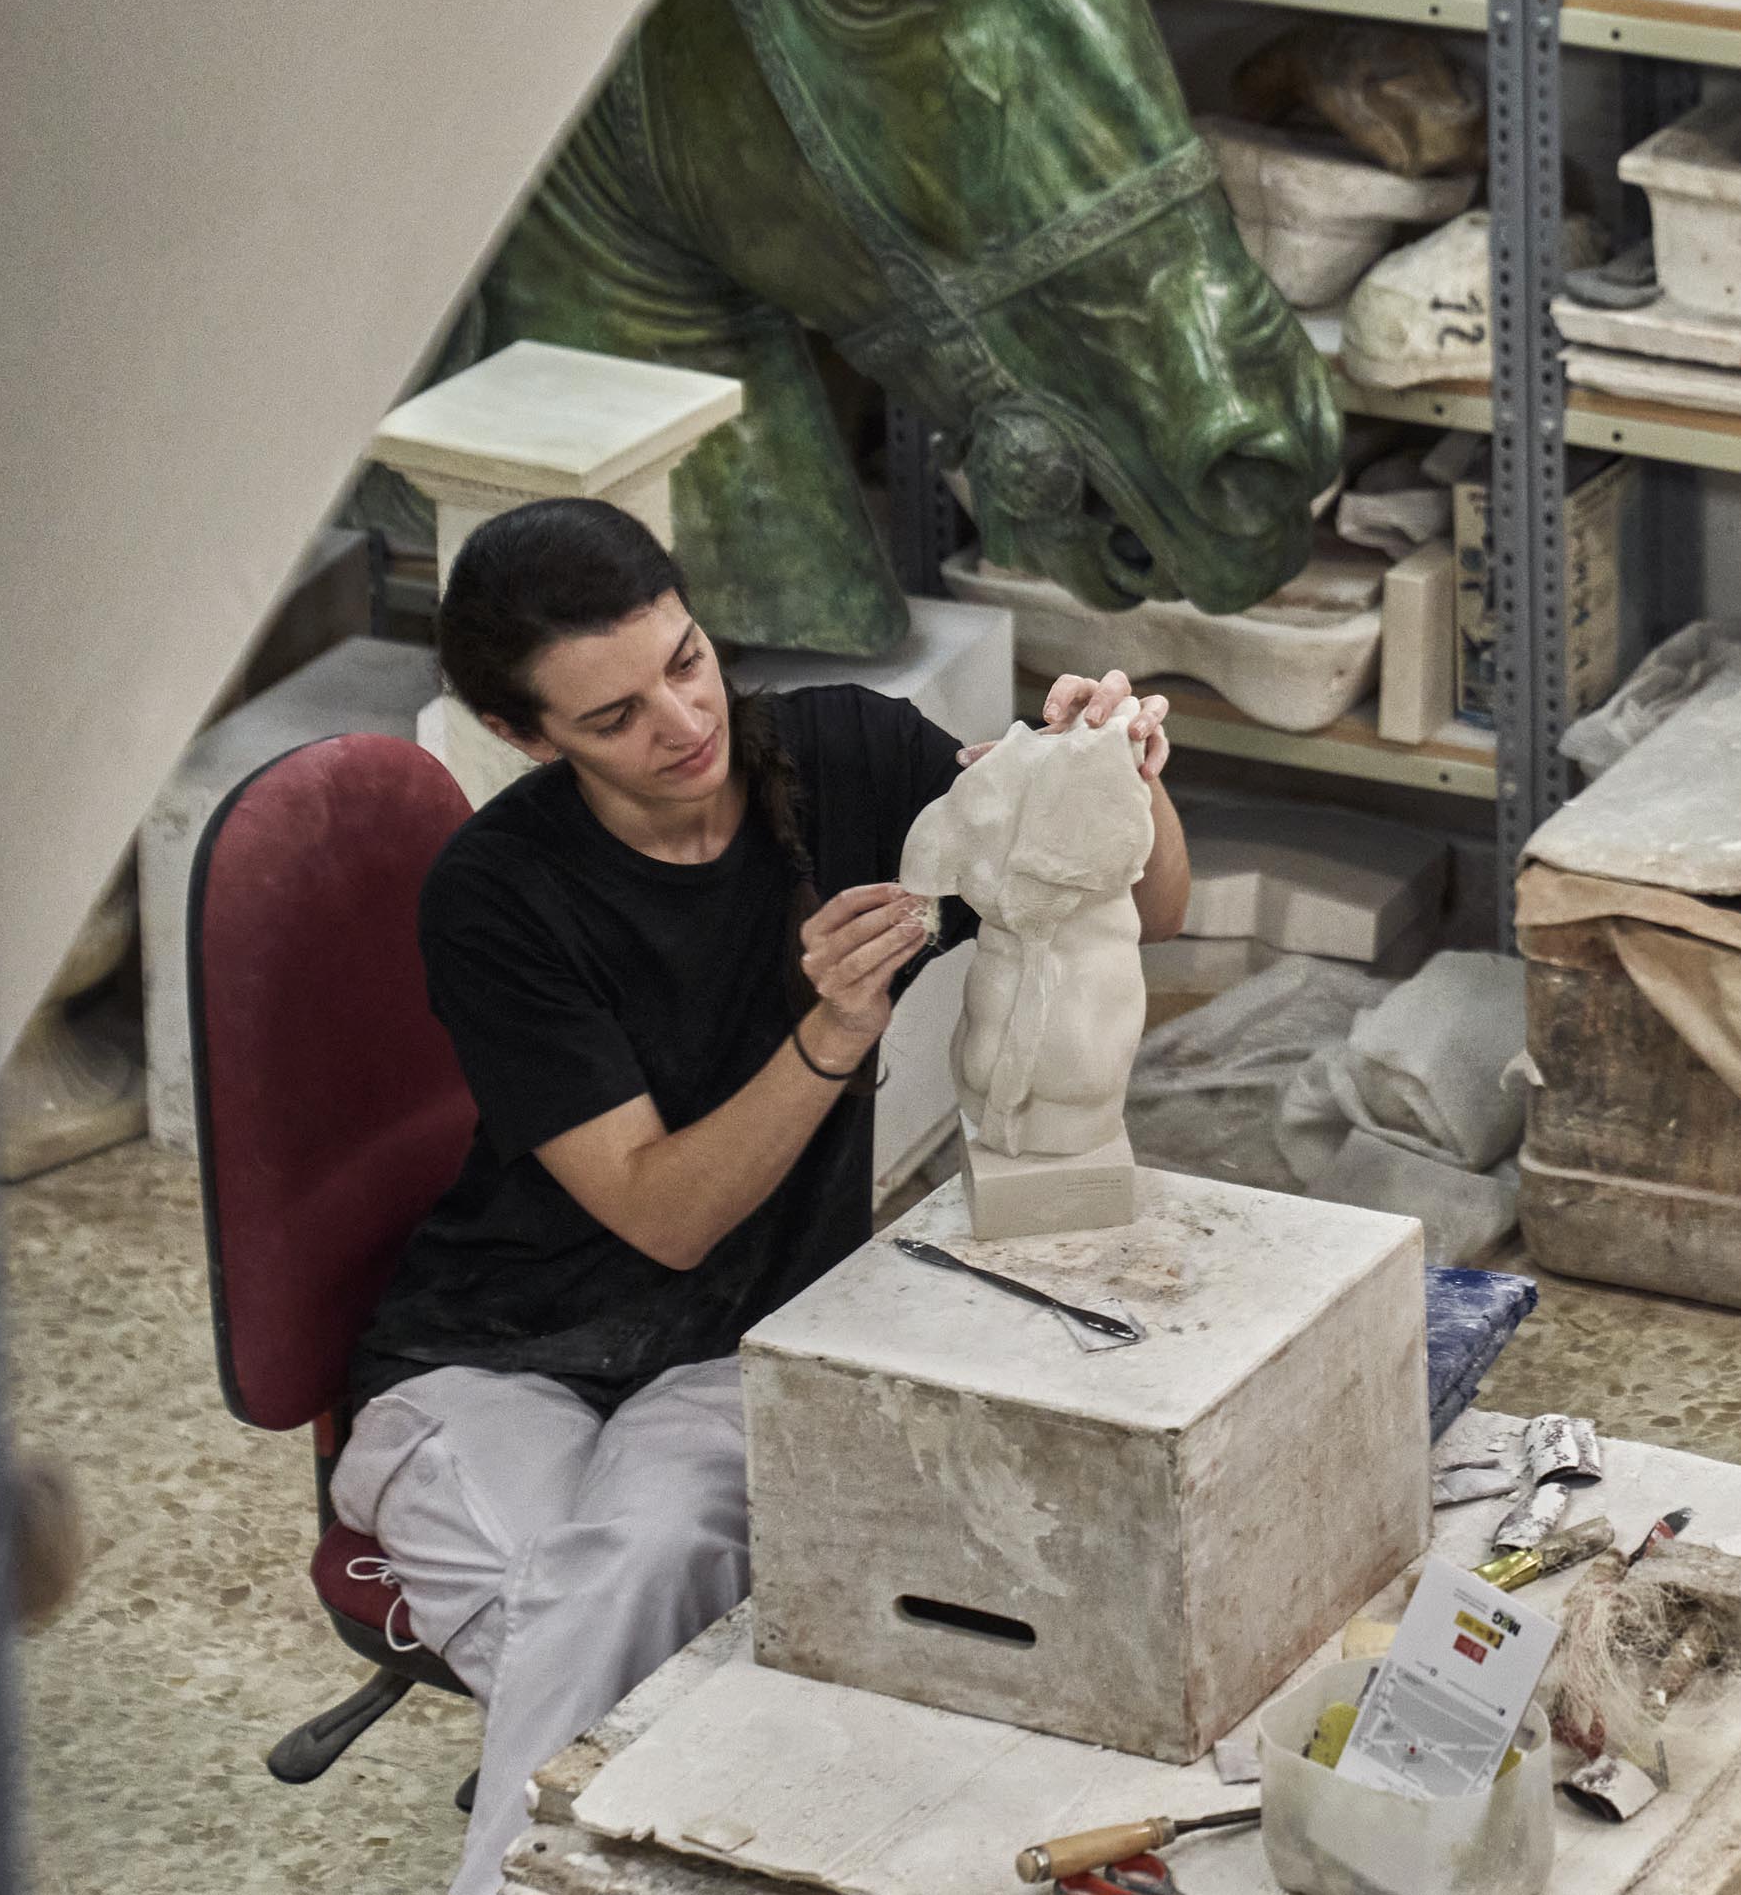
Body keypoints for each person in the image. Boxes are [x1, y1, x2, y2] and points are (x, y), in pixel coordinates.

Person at [329, 497, 1186, 1895]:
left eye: (684, 659)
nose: (678, 721)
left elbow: (1145, 911)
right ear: (527, 737)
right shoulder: (500, 894)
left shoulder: (842, 755)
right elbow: (663, 1215)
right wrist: (828, 1033)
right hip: (491, 1357)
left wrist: (1117, 774)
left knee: (641, 1577)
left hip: (734, 1351)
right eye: (612, 717)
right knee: (637, 1608)